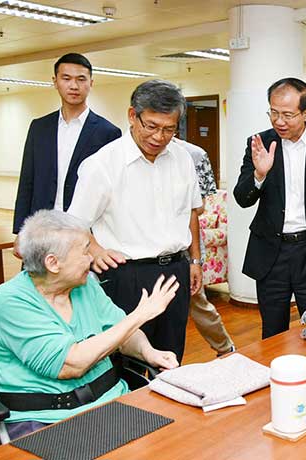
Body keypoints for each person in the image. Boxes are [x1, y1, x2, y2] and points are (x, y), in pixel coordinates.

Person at [0, 210, 179, 440]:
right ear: (53, 263)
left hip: (111, 401)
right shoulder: (9, 302)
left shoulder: (85, 285)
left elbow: (123, 333)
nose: (91, 258)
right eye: (85, 251)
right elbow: (70, 365)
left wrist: (149, 352)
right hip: (46, 419)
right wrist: (139, 315)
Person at [68, 80, 202, 364]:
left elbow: (191, 212)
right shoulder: (102, 163)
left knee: (170, 358)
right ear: (132, 115)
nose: (159, 137)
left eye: (169, 129)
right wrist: (96, 250)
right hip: (127, 275)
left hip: (175, 271)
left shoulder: (183, 158)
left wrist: (195, 261)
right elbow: (74, 223)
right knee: (125, 361)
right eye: (151, 126)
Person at [233, 77, 306, 339]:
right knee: (272, 330)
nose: (279, 121)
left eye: (287, 115)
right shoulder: (260, 144)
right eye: (273, 113)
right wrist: (259, 175)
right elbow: (242, 197)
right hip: (271, 252)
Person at [12, 53, 121, 252]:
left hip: (85, 231)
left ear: (91, 83)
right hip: (42, 228)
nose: (74, 86)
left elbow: (112, 191)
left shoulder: (108, 132)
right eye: (66, 78)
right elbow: (27, 180)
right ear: (55, 82)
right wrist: (21, 230)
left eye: (81, 79)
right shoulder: (39, 127)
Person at [172, 137, 235, 356]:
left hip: (186, 243)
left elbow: (200, 208)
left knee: (197, 301)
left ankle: (226, 348)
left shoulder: (194, 155)